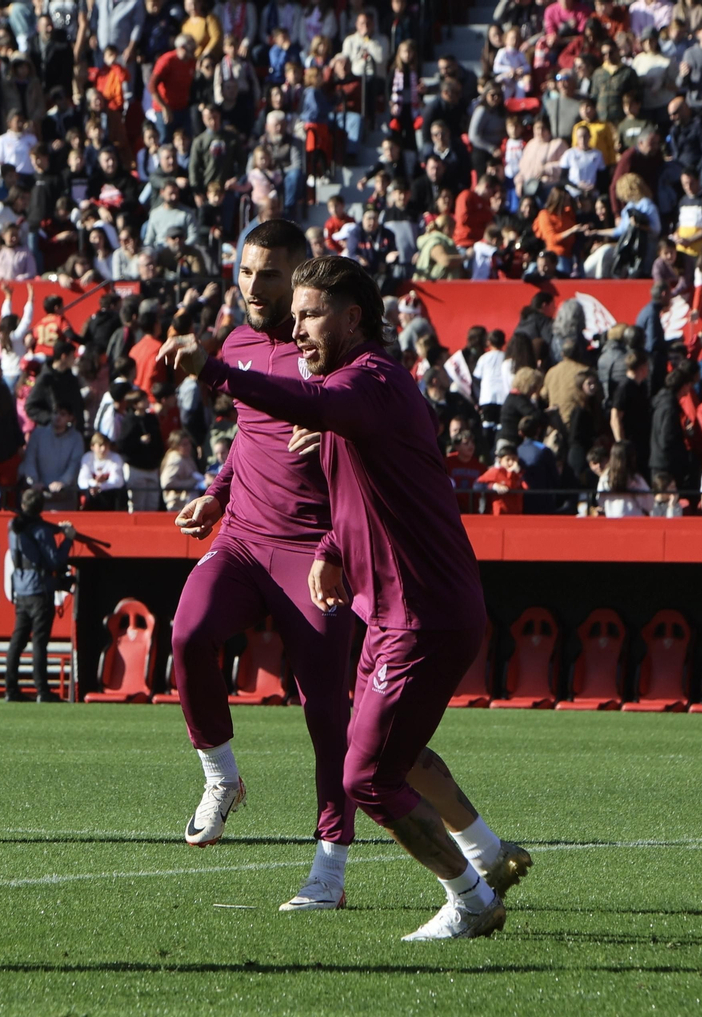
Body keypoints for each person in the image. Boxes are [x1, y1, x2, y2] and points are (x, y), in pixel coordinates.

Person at [162, 224, 527, 918]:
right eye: (247, 272)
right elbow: (256, 436)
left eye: (278, 280)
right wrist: (217, 492)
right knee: (190, 635)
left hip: (360, 577)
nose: (258, 290)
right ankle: (222, 776)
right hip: (266, 546)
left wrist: (327, 539)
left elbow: (329, 424)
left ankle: (343, 870)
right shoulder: (267, 351)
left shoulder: (345, 378)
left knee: (346, 736)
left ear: (317, 288)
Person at [4, 489, 76, 703]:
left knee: (17, 641)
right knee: (39, 643)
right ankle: (42, 690)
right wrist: (68, 539)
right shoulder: (41, 531)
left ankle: (11, 688)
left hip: (21, 590)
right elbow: (55, 561)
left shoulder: (14, 527)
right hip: (40, 591)